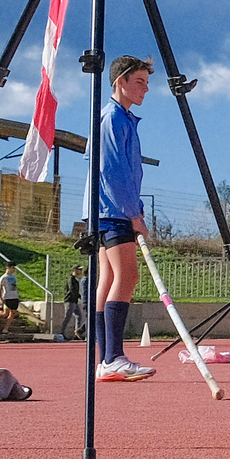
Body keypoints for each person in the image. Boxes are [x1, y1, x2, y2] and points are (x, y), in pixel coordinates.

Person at [86, 55, 159, 380]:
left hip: (107, 211)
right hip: (112, 211)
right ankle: (113, 356)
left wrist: (136, 208)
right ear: (121, 82)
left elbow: (125, 173)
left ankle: (106, 360)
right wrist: (133, 215)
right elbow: (113, 172)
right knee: (127, 276)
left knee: (109, 279)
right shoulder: (112, 119)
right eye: (139, 82)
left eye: (147, 83)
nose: (145, 89)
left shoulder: (121, 119)